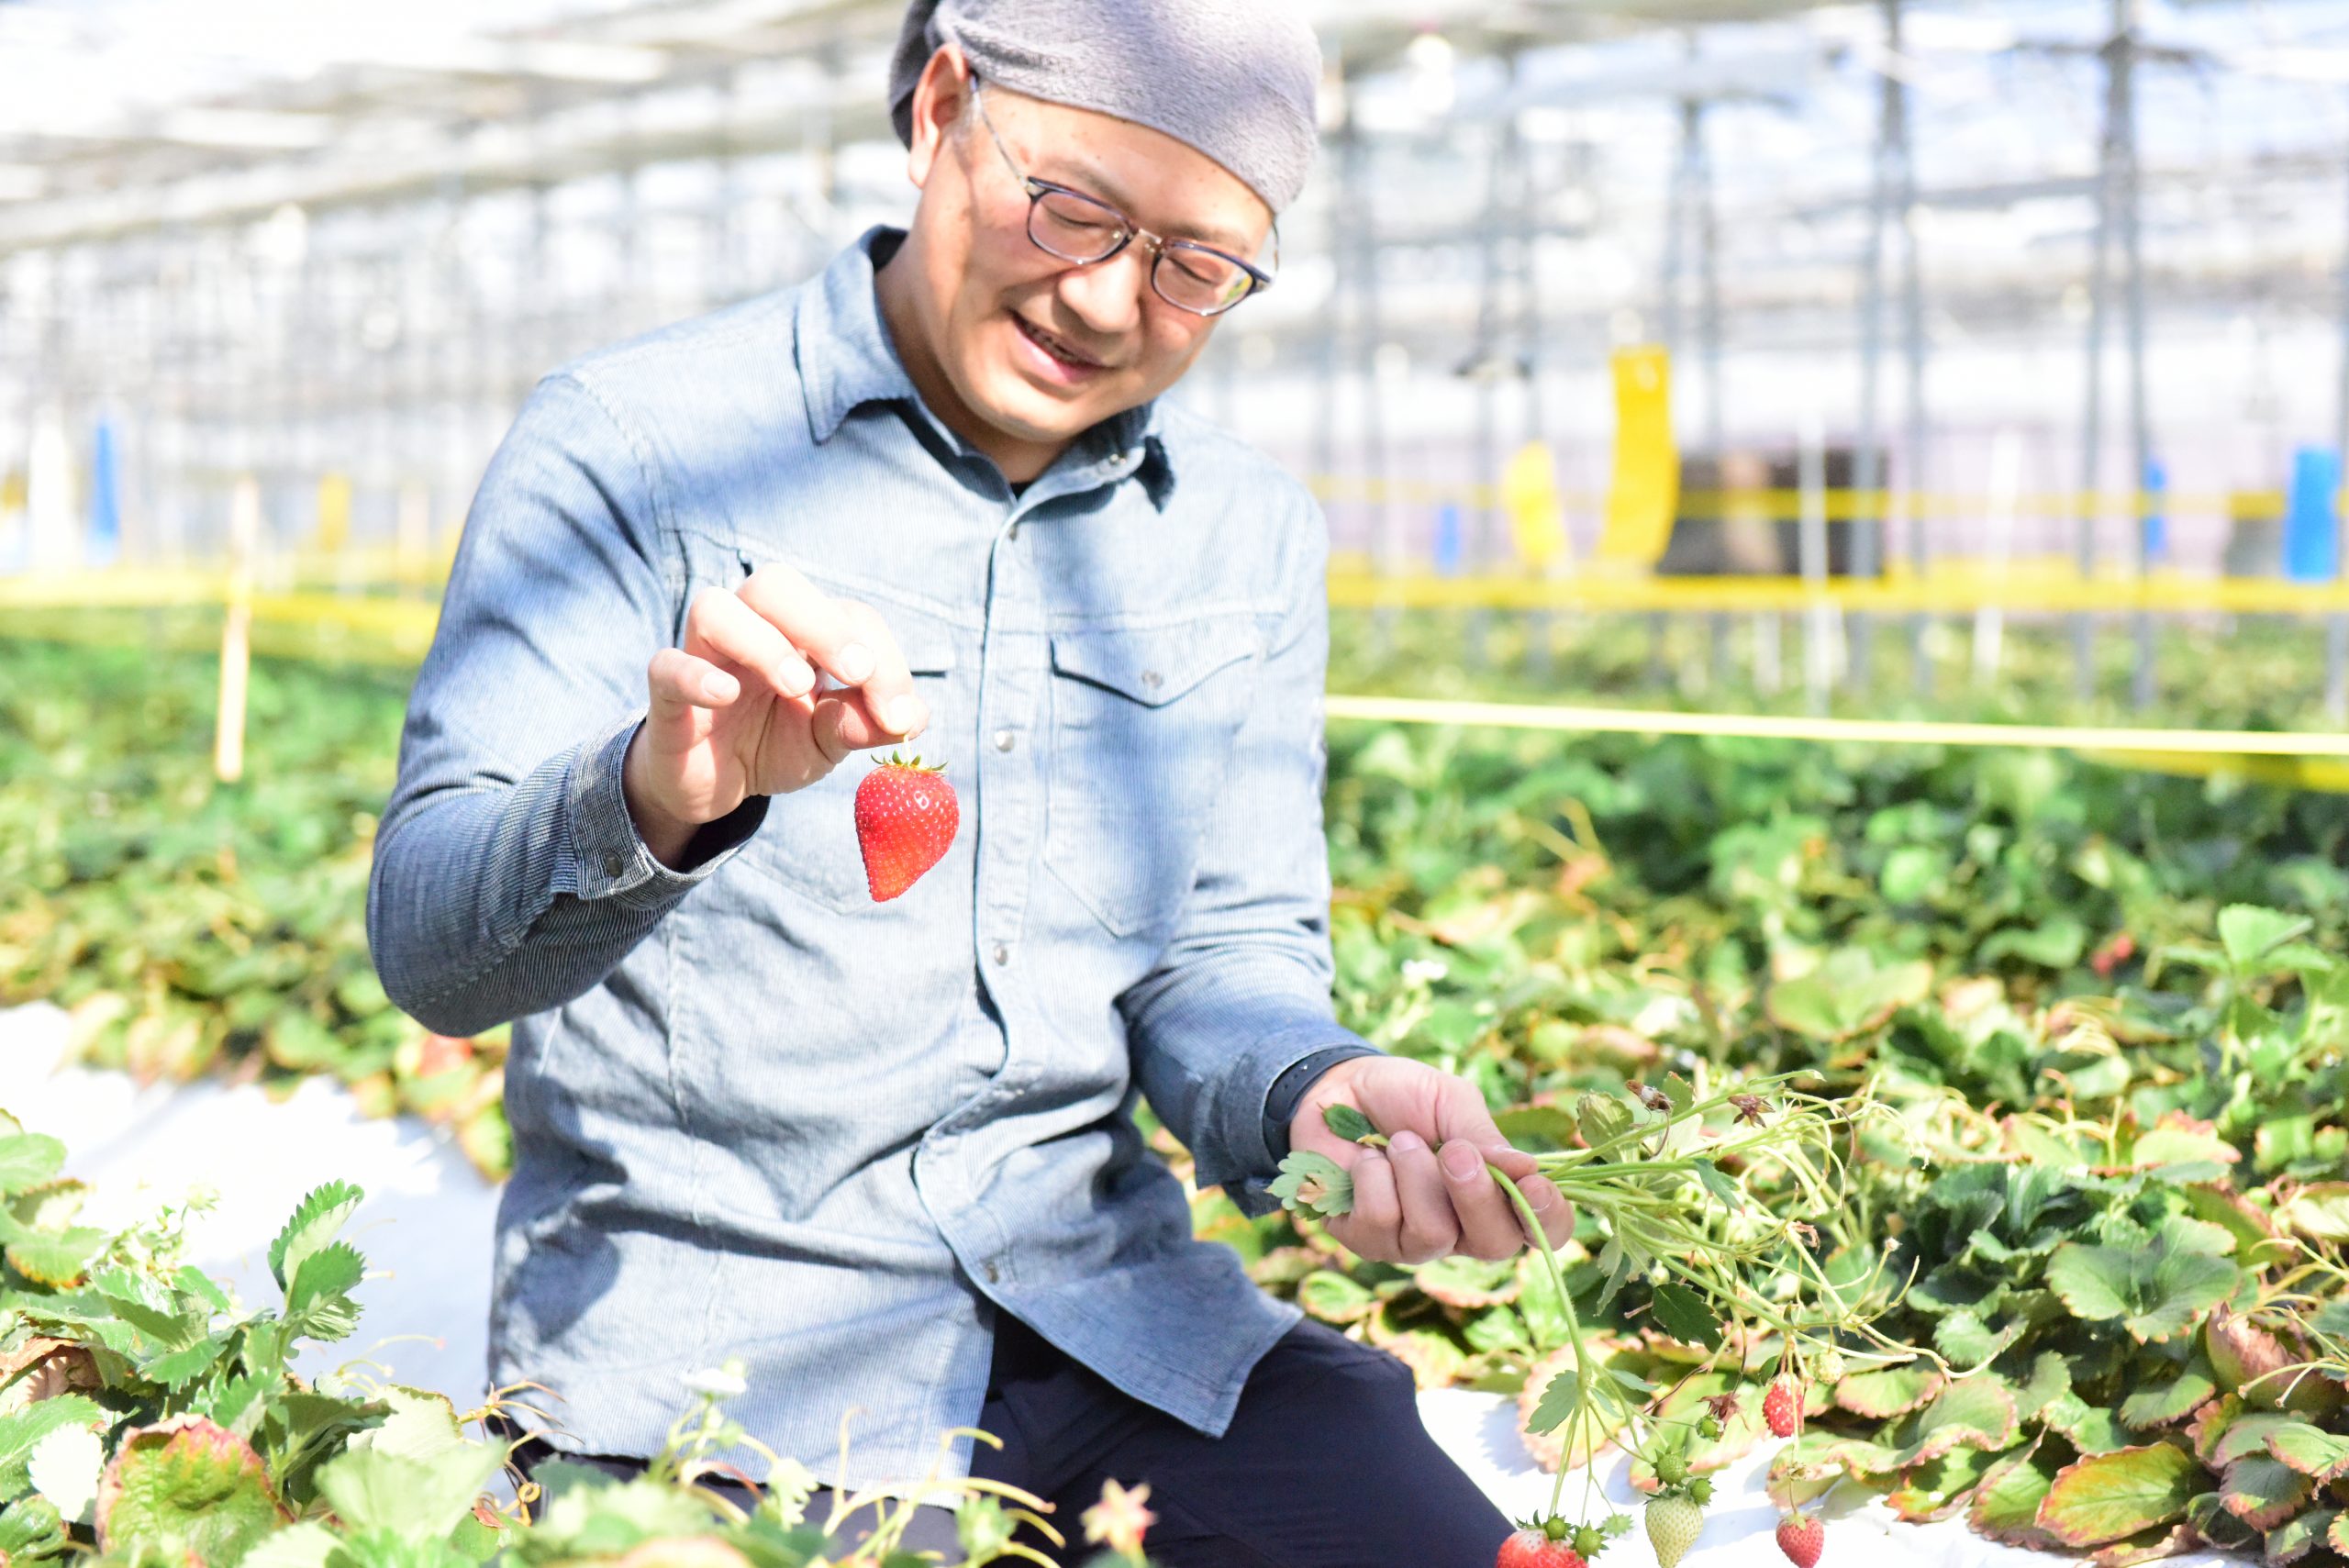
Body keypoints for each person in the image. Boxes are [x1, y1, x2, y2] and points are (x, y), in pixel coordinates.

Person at [368, 2, 1571, 1561]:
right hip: (713, 1372)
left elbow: (1226, 955)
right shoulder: (637, 446)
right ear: (944, 107)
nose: (1103, 298)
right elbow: (428, 945)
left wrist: (1310, 1092)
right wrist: (654, 799)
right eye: (1071, 206)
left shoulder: (1243, 534)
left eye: (1195, 266)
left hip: (1111, 1327)